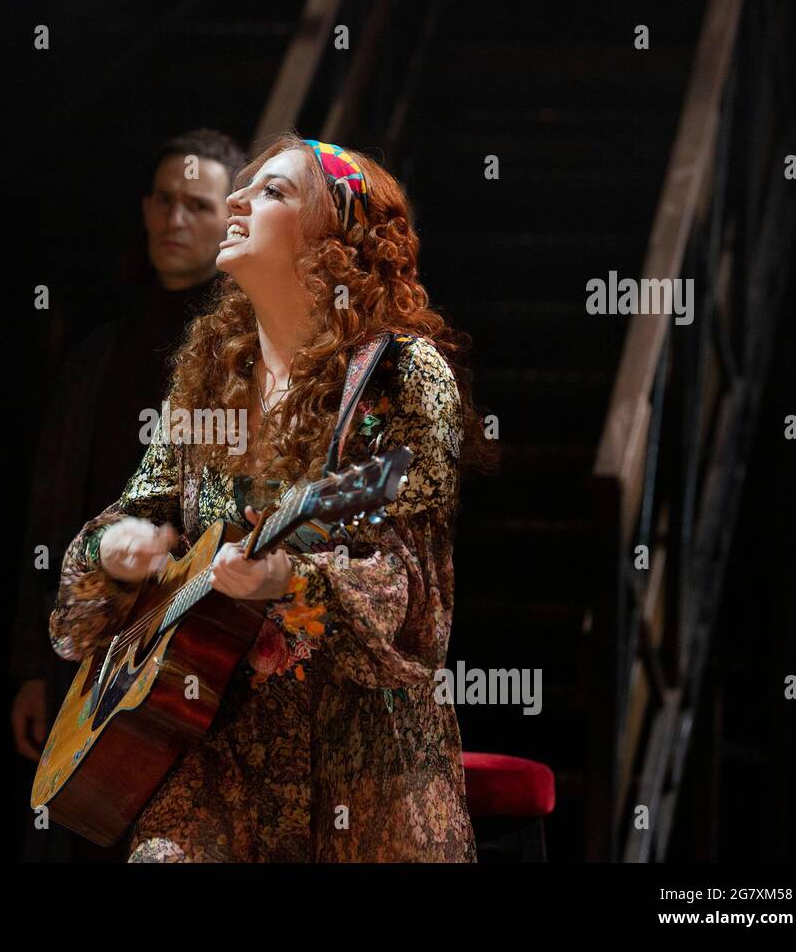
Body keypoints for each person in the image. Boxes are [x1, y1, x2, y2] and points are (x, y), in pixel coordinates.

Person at [47, 133, 486, 862]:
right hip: (215, 743)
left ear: (333, 240)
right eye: (242, 187)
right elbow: (127, 522)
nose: (238, 201)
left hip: (356, 758)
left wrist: (292, 578)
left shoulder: (403, 378)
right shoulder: (209, 377)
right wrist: (117, 547)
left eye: (272, 191)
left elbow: (417, 600)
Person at [9, 128, 246, 861]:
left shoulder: (239, 355)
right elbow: (51, 517)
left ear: (230, 217)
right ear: (145, 208)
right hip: (89, 638)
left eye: (197, 205)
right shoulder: (96, 355)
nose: (176, 220)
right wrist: (30, 663)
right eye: (165, 201)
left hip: (192, 648)